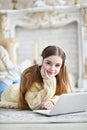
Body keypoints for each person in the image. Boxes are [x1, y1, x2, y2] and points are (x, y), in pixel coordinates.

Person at [0, 45, 72, 109]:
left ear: (62, 66)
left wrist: (52, 101)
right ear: (40, 61)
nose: (52, 69)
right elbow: (34, 104)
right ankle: (10, 68)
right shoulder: (31, 77)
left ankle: (11, 68)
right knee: (10, 77)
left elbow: (64, 96)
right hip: (6, 92)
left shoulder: (61, 76)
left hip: (19, 86)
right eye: (48, 63)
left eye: (57, 65)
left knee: (15, 76)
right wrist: (48, 80)